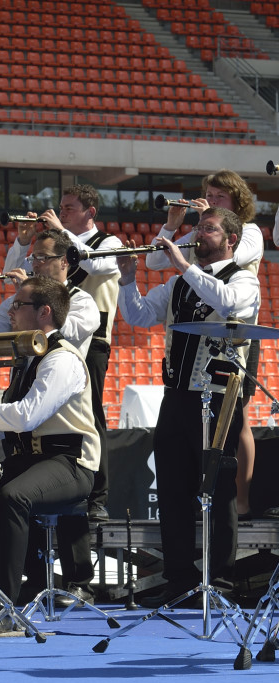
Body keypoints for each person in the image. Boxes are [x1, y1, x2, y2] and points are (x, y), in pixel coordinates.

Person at [117, 207, 260, 608]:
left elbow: (229, 303)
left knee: (218, 490)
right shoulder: (179, 284)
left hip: (218, 397)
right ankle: (179, 579)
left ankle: (222, 582)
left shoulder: (243, 278)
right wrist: (128, 279)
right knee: (173, 491)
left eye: (209, 229)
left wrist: (183, 265)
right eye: (198, 227)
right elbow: (138, 315)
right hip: (177, 396)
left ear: (230, 239)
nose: (199, 234)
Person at [0, 276, 100, 628]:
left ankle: (2, 606)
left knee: (13, 497)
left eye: (18, 305)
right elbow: (13, 419)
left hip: (70, 462)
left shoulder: (62, 360)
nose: (10, 312)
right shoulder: (29, 358)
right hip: (29, 459)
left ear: (44, 312)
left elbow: (27, 417)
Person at [146, 171, 263, 521]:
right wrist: (172, 227)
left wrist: (207, 226)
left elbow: (228, 258)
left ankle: (241, 498)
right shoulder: (202, 230)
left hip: (236, 329)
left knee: (237, 418)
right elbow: (154, 261)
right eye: (207, 195)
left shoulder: (251, 231)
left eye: (219, 197)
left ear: (236, 202)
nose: (210, 201)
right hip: (199, 321)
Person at [4, 186, 122, 524]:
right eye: (61, 207)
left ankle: (97, 496)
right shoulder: (50, 250)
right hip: (46, 336)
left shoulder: (106, 243)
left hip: (90, 337)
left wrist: (62, 231)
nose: (63, 212)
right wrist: (24, 242)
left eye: (69, 208)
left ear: (90, 211)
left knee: (92, 414)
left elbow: (98, 266)